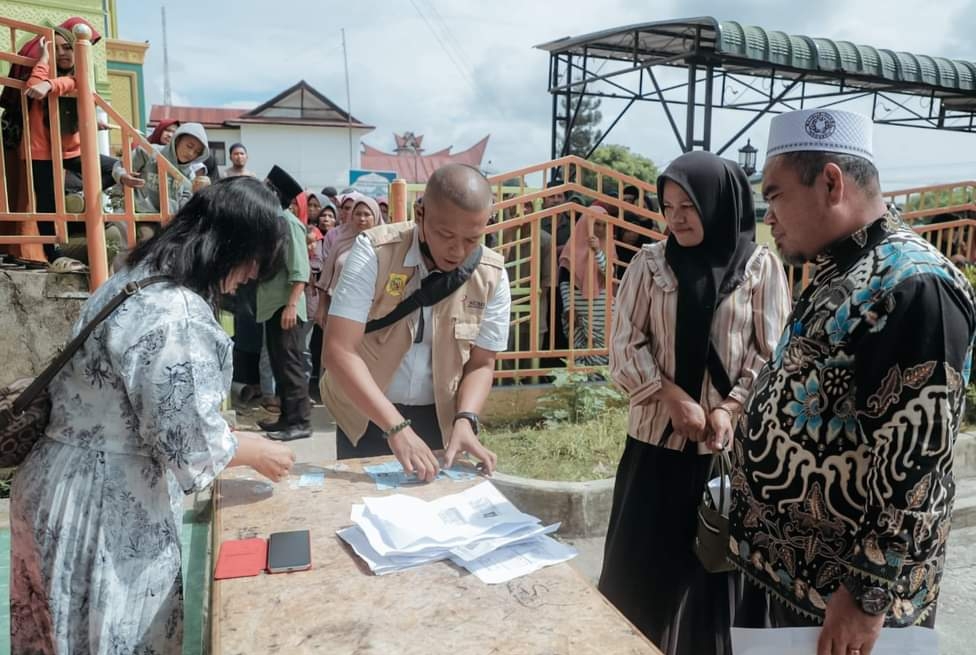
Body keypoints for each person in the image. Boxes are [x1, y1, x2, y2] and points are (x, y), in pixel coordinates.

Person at [10, 176, 297, 654]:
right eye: (253, 261)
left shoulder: (130, 281)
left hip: (56, 484)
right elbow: (187, 444)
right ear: (228, 247)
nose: (250, 275)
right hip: (104, 505)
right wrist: (256, 450)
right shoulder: (175, 313)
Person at [729, 109, 976, 653]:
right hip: (791, 579)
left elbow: (917, 466)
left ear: (832, 182)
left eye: (775, 196)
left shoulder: (915, 287)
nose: (769, 217)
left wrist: (866, 598)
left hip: (839, 603)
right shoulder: (842, 267)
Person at [599, 151, 791, 655]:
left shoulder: (760, 267)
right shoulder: (649, 264)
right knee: (638, 579)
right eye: (668, 206)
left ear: (720, 203)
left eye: (690, 205)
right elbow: (623, 345)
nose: (677, 217)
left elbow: (770, 356)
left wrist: (728, 407)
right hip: (654, 451)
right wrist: (670, 396)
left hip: (725, 460)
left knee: (714, 588)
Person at [321, 164, 510, 476]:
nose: (458, 250)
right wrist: (397, 429)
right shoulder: (374, 252)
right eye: (446, 234)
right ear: (419, 214)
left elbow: (481, 364)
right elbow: (339, 350)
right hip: (367, 411)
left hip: (440, 419)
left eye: (472, 239)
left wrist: (466, 418)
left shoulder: (492, 276)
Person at [21, 28, 117, 248]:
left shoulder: (79, 78)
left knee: (116, 167)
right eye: (55, 48)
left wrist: (51, 85)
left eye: (67, 47)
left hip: (70, 150)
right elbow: (33, 87)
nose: (62, 53)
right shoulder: (43, 72)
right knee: (46, 205)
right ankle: (52, 254)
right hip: (41, 150)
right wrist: (44, 62)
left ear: (77, 50)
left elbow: (75, 84)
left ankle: (80, 195)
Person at [256, 165, 313, 441]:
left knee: (291, 364)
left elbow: (301, 270)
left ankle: (300, 421)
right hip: (272, 305)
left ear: (275, 193)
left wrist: (292, 305)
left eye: (266, 188)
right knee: (279, 363)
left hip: (286, 306)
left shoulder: (289, 223)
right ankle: (286, 418)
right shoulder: (272, 222)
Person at [314, 195, 384, 327]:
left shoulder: (384, 245)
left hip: (371, 311)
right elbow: (326, 278)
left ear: (375, 216)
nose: (362, 218)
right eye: (357, 214)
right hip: (339, 308)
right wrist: (321, 308)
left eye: (367, 214)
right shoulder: (341, 241)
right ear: (352, 216)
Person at [113, 122, 210, 216]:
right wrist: (122, 176)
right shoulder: (149, 152)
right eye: (189, 146)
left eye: (197, 152)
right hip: (140, 213)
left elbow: (185, 201)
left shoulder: (189, 174)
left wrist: (198, 192)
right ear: (177, 140)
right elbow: (121, 165)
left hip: (167, 219)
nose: (191, 153)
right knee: (147, 232)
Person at [558, 205, 614, 368]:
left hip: (601, 306)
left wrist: (597, 251)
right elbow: (564, 279)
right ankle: (582, 378)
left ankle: (598, 377)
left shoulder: (607, 245)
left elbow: (609, 274)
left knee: (604, 343)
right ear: (585, 224)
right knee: (577, 341)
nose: (600, 229)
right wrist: (569, 307)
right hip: (578, 304)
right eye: (596, 224)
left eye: (604, 225)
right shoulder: (572, 247)